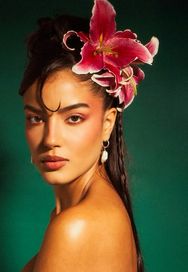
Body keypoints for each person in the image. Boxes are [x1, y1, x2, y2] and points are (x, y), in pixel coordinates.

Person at [19, 0, 159, 271]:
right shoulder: (94, 210)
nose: (50, 139)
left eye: (73, 118)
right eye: (36, 118)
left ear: (108, 123)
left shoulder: (76, 226)